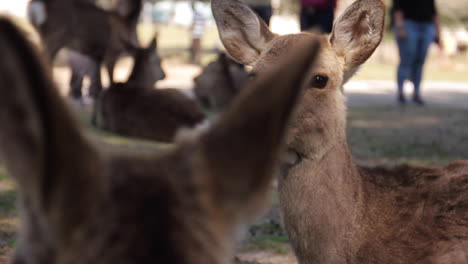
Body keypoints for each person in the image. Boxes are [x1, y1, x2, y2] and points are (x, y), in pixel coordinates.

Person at [393, 0, 442, 105]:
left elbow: (433, 11)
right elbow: (397, 8)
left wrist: (438, 33)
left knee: (420, 60)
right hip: (408, 24)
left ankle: (417, 93)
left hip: (427, 25)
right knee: (406, 59)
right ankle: (401, 92)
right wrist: (400, 27)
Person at [190, 0, 206, 65]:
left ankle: (197, 60)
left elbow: (193, 24)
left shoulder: (195, 14)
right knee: (199, 47)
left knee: (196, 47)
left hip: (196, 32)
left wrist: (190, 28)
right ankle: (198, 60)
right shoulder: (201, 14)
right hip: (200, 32)